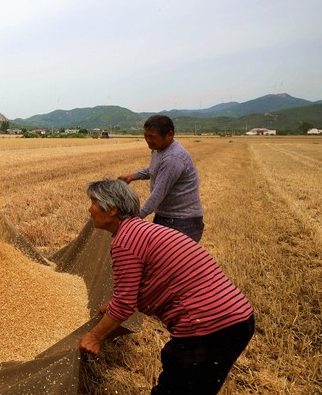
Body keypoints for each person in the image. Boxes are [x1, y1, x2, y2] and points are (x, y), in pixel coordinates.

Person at [78, 179, 254, 395]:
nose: (89, 208)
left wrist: (94, 336)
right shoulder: (142, 231)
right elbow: (131, 292)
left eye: (93, 202)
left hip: (207, 329)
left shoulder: (124, 242)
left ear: (112, 209)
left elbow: (125, 304)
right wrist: (113, 306)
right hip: (236, 318)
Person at [119, 114, 205, 242]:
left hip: (182, 222)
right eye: (145, 136)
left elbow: (157, 195)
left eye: (152, 137)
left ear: (169, 135)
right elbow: (154, 170)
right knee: (160, 260)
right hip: (165, 217)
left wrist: (135, 218)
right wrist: (133, 176)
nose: (148, 140)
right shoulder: (158, 149)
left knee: (173, 261)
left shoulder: (173, 158)